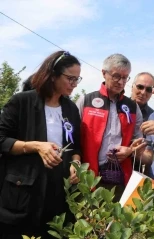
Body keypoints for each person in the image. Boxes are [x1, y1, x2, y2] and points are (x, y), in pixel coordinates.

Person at [0, 50, 82, 238]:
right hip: (24, 192)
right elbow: (2, 140)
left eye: (77, 79)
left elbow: (76, 146)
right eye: (70, 78)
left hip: (58, 193)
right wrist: (37, 146)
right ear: (53, 76)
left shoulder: (70, 108)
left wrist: (76, 163)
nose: (74, 84)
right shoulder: (22, 102)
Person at [76, 53, 145, 202]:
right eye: (116, 76)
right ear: (104, 73)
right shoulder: (86, 101)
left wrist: (130, 150)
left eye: (125, 77)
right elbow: (72, 138)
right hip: (87, 176)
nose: (121, 82)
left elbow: (139, 140)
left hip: (119, 176)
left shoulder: (132, 107)